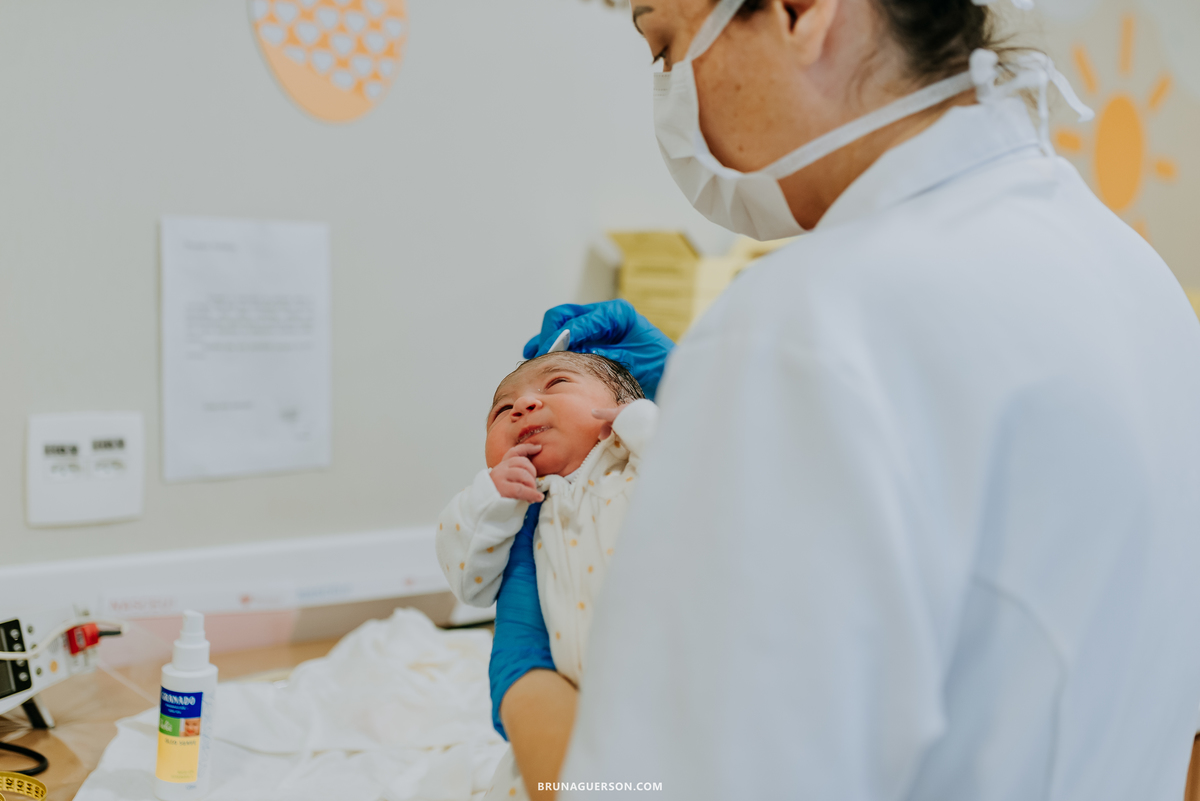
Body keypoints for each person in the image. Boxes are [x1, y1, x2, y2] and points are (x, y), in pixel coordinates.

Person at [491, 0, 1200, 798]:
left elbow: (652, 789)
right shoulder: (1134, 271)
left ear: (800, 12)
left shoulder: (799, 330)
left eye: (665, 45)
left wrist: (524, 684)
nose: (669, 88)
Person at [435, 352, 657, 799]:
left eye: (556, 384)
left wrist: (643, 422)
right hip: (571, 695)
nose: (522, 407)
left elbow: (699, 470)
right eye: (502, 410)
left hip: (665, 680)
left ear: (619, 410)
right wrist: (490, 498)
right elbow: (469, 584)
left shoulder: (640, 470)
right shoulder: (516, 511)